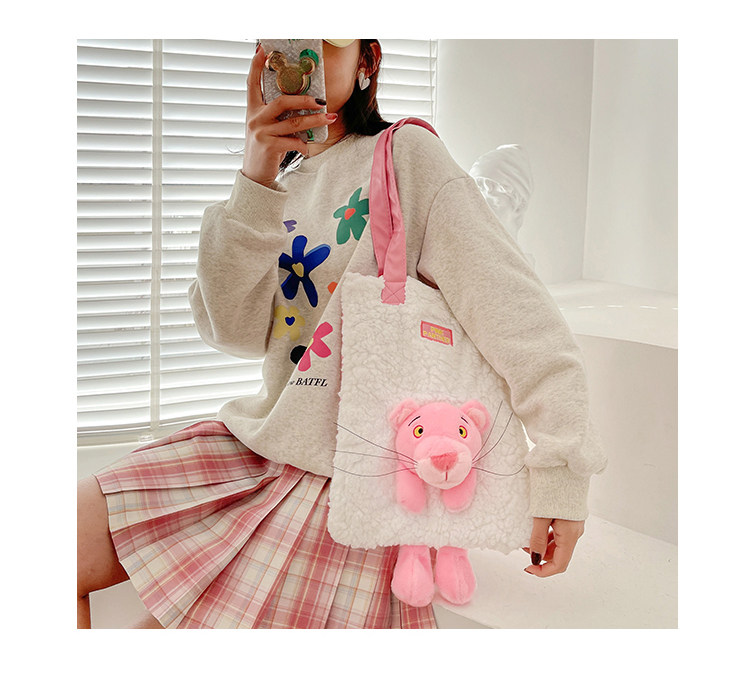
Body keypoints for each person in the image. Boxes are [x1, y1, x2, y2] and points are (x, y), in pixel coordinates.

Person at [77, 39, 607, 629]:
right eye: (285, 38)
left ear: (366, 64)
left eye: (327, 39)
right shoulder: (274, 182)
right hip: (257, 445)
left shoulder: (405, 156)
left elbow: (522, 322)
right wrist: (256, 169)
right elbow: (233, 330)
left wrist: (562, 478)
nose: (303, 59)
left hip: (344, 479)